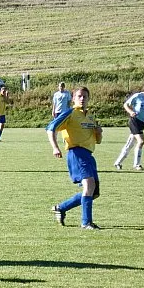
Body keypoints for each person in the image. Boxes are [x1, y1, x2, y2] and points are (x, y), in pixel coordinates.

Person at [46, 86, 103, 230]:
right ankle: (86, 222)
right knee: (89, 186)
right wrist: (55, 147)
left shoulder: (90, 116)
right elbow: (50, 128)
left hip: (89, 155)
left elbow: (98, 140)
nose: (82, 99)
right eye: (79, 96)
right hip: (76, 153)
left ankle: (61, 208)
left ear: (89, 99)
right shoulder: (70, 114)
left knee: (93, 192)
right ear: (73, 99)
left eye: (85, 96)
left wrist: (99, 132)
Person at [114, 81, 144, 171]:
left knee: (130, 144)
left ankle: (118, 162)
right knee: (141, 141)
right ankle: (136, 164)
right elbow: (125, 104)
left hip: (142, 122)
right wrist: (131, 112)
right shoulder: (138, 96)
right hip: (134, 121)